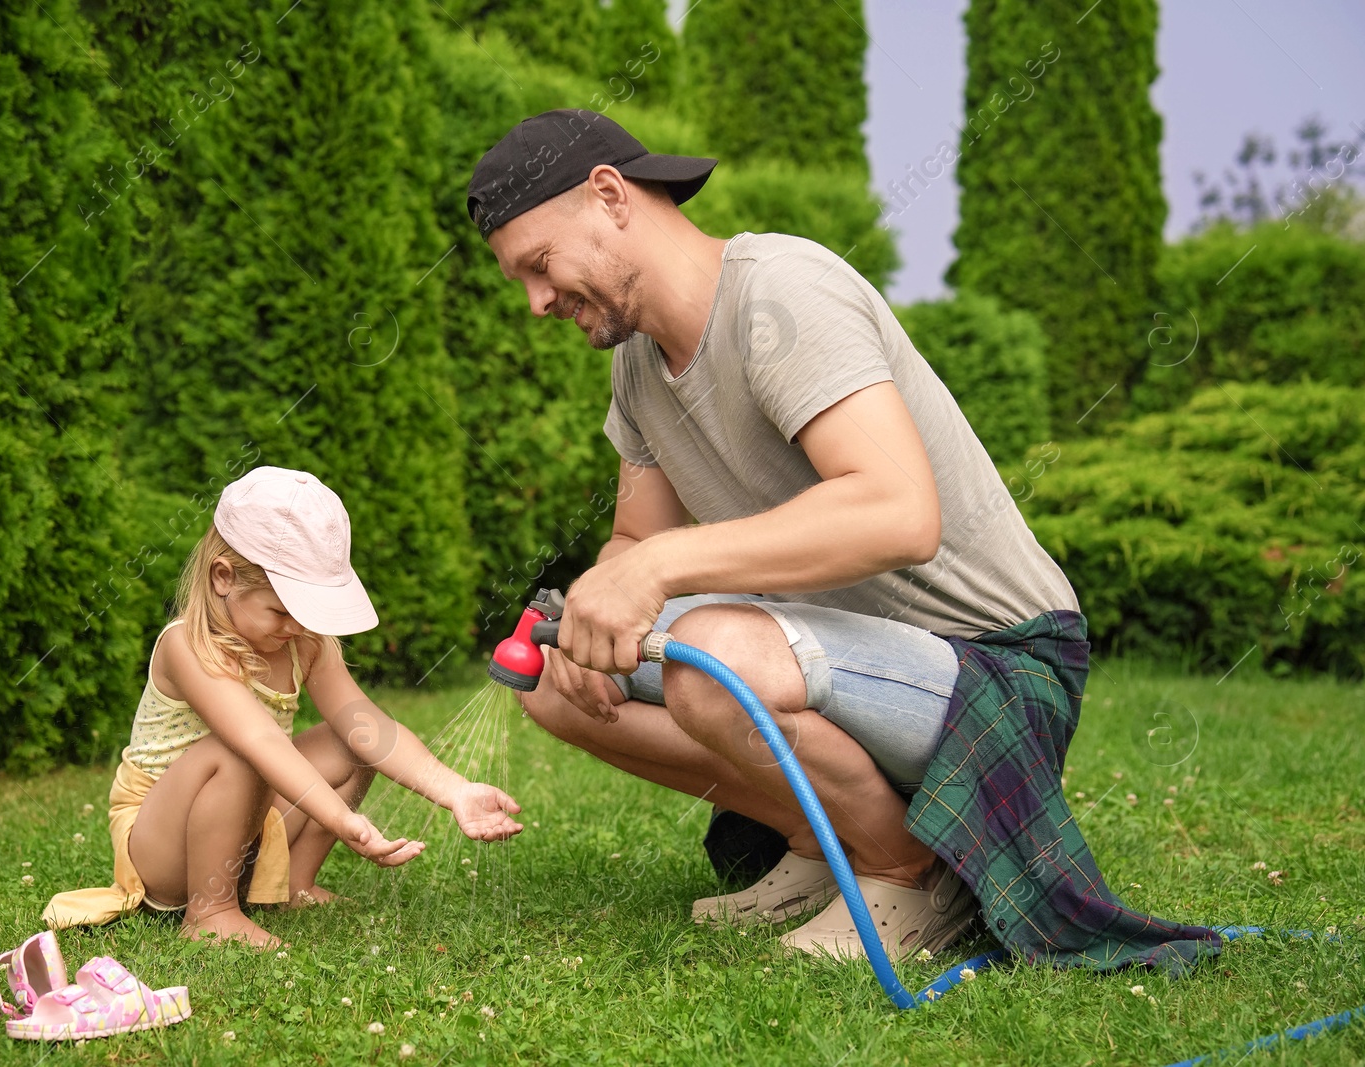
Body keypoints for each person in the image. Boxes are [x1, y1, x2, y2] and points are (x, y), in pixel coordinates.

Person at [464, 109, 1222, 973]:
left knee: (711, 659)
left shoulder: (781, 292)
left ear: (609, 196)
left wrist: (657, 570)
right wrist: (597, 615)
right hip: (837, 659)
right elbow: (636, 536)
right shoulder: (637, 366)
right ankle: (820, 845)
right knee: (554, 678)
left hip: (997, 668)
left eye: (539, 264)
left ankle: (910, 869)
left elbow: (898, 513)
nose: (534, 301)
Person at [44, 466, 524, 947]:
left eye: (307, 612)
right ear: (223, 578)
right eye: (280, 611)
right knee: (240, 750)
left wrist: (455, 790)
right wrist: (341, 818)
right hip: (161, 843)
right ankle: (209, 911)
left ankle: (295, 884)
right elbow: (258, 740)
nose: (296, 627)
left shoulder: (305, 642)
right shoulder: (187, 646)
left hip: (249, 823)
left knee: (351, 742)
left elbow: (367, 725)